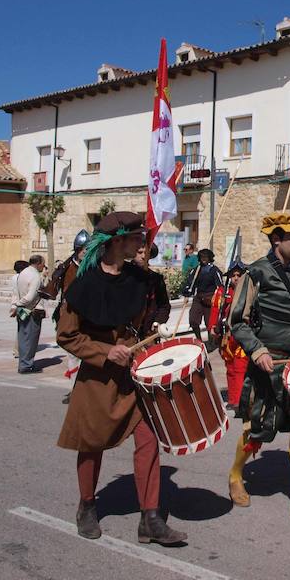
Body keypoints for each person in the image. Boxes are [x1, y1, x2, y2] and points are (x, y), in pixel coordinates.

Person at [56, 211, 186, 544]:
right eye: (137, 238)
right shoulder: (82, 285)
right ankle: (86, 505)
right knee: (91, 443)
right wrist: (103, 351)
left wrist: (155, 341)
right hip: (99, 376)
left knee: (149, 441)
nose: (143, 243)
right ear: (117, 242)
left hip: (136, 373)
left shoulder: (141, 281)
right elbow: (67, 335)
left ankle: (150, 519)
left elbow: (145, 323)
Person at [227, 212, 290, 522]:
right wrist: (256, 351)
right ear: (276, 240)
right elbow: (237, 322)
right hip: (267, 361)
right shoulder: (255, 273)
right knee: (259, 425)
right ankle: (235, 476)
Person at [44, 229, 90, 403]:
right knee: (72, 353)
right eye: (83, 249)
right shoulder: (66, 266)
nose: (85, 252)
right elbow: (52, 287)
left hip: (90, 316)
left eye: (88, 249)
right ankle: (74, 389)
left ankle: (86, 390)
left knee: (89, 353)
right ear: (77, 249)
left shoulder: (95, 267)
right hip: (69, 314)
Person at [209, 261, 249, 411]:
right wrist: (213, 327)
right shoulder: (221, 292)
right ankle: (233, 399)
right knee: (230, 367)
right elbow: (215, 310)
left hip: (242, 336)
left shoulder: (248, 292)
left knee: (240, 367)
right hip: (226, 336)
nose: (236, 278)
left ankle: (238, 400)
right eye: (234, 275)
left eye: (239, 275)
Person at [11, 254, 47, 374]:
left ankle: (23, 363)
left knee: (22, 337)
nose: (44, 266)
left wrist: (15, 305)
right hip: (32, 310)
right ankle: (26, 365)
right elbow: (30, 297)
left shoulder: (23, 273)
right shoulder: (35, 276)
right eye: (43, 264)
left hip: (22, 310)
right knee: (31, 339)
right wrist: (19, 304)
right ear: (38, 263)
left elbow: (16, 292)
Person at [182, 248, 223, 346]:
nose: (204, 259)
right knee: (193, 319)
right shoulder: (196, 270)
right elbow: (190, 283)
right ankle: (199, 340)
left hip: (210, 299)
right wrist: (187, 293)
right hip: (199, 298)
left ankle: (211, 342)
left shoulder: (214, 270)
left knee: (210, 322)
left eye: (205, 257)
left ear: (209, 258)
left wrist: (218, 298)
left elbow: (220, 286)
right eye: (202, 257)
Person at [134, 243, 171, 338]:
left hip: (148, 333)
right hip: (126, 336)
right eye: (140, 252)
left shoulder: (156, 279)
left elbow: (164, 305)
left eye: (146, 253)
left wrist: (157, 322)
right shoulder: (124, 276)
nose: (143, 256)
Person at [10, 259, 29, 362]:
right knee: (24, 327)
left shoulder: (14, 278)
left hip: (17, 305)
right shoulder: (22, 278)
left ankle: (17, 349)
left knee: (21, 326)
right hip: (22, 305)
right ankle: (19, 350)